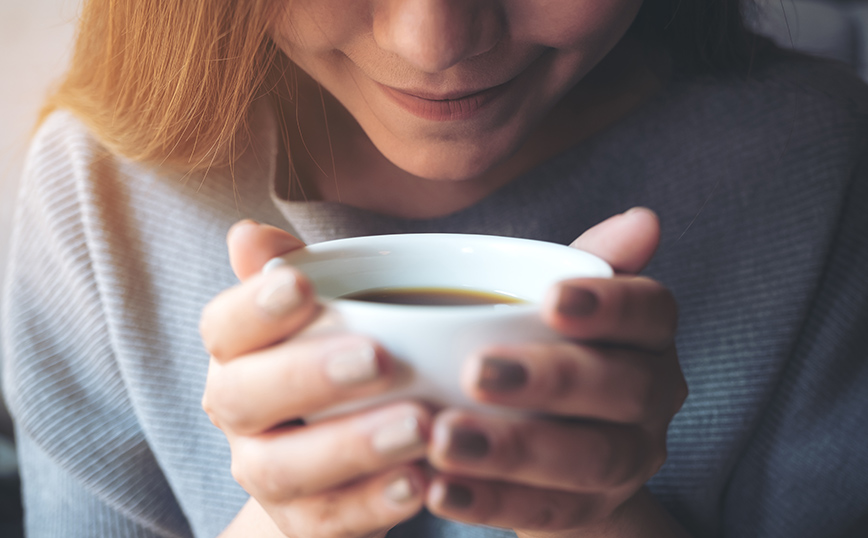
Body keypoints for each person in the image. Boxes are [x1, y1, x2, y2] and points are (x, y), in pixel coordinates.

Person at [2, 0, 867, 536]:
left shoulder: (821, 171)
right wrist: (289, 521)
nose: (434, 41)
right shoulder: (98, 192)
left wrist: (591, 521)